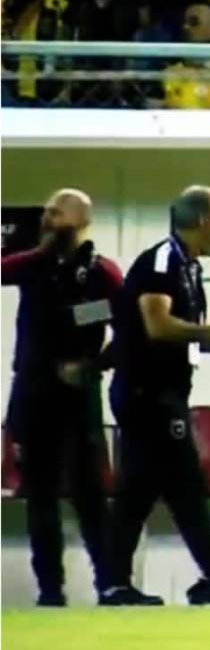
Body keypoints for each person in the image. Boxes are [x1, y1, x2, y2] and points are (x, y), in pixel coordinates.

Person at [105, 185, 210, 606]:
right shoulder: (162, 262)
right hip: (148, 394)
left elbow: (189, 341)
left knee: (151, 491)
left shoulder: (191, 268)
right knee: (176, 486)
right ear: (201, 221)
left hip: (167, 393)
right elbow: (159, 327)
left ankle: (120, 583)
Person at [1, 189, 121, 606]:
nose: (48, 218)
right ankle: (50, 591)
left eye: (57, 212)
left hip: (78, 396)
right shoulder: (31, 266)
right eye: (47, 211)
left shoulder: (102, 272)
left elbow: (129, 326)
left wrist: (94, 363)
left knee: (90, 497)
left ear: (81, 220)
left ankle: (109, 583)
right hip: (33, 394)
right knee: (41, 498)